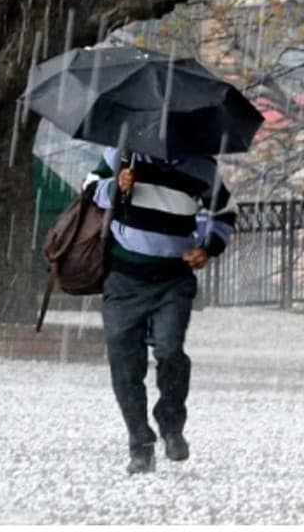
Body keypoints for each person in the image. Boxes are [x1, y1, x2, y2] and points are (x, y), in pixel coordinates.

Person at [85, 148, 236, 475]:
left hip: (173, 280)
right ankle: (140, 443)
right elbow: (88, 189)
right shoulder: (122, 153)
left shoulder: (201, 167)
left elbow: (223, 212)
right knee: (125, 361)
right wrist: (115, 188)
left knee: (170, 351)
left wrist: (207, 247)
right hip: (124, 278)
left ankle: (171, 423)